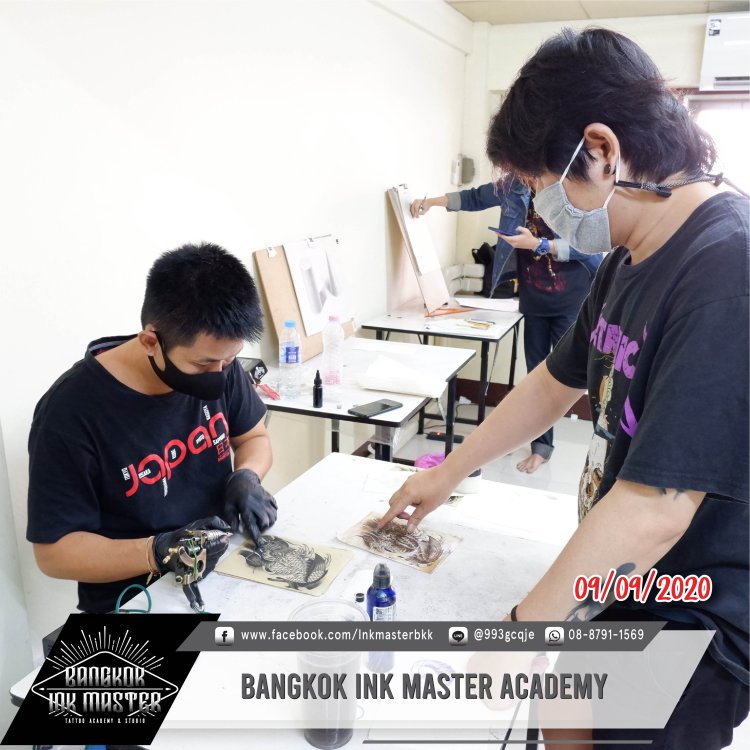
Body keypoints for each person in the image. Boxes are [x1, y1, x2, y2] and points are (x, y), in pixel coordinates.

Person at [387, 27, 748, 749]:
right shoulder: (627, 257)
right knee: (556, 721)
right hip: (624, 577)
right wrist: (448, 471)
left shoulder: (727, 270)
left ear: (603, 151)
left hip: (697, 609)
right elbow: (552, 384)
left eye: (537, 185)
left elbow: (658, 508)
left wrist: (525, 629)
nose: (536, 207)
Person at [27, 242, 278, 614]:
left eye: (230, 360)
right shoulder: (70, 413)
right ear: (150, 342)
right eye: (204, 364)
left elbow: (254, 436)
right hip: (136, 600)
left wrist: (246, 476)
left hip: (224, 570)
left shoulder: (219, 362)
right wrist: (157, 551)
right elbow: (54, 553)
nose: (220, 375)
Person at [411, 178, 602, 473]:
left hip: (571, 300)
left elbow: (591, 249)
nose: (520, 174)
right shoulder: (514, 186)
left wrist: (540, 244)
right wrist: (432, 203)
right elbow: (476, 197)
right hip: (533, 300)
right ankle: (540, 446)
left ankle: (567, 450)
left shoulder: (570, 188)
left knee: (568, 376)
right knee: (536, 377)